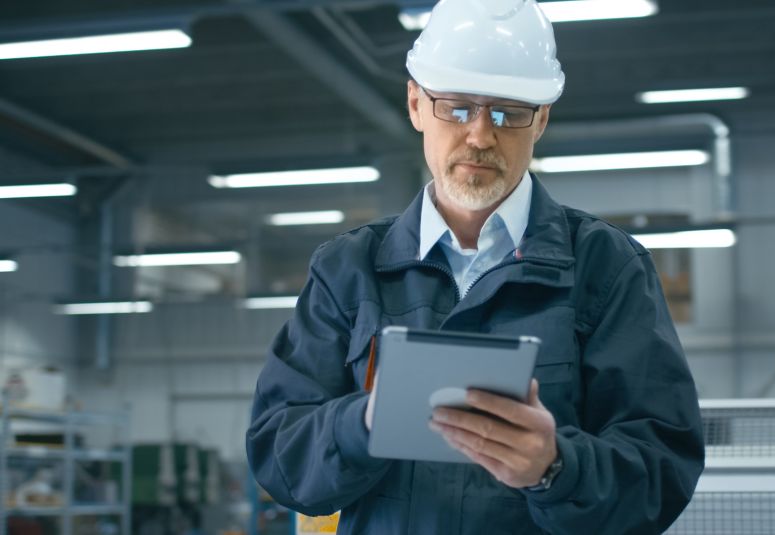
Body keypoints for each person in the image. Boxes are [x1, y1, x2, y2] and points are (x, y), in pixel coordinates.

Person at [246, 0, 704, 533]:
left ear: (542, 119)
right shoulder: (348, 270)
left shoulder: (607, 269)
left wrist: (555, 467)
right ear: (416, 104)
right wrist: (365, 422)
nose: (481, 135)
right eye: (458, 108)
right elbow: (279, 456)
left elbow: (661, 472)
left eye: (509, 112)